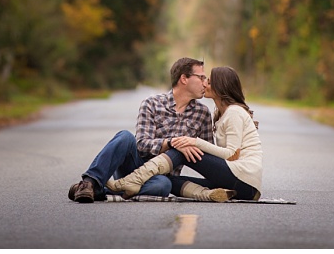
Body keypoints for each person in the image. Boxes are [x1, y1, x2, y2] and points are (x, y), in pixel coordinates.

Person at [67, 57, 215, 203]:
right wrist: (171, 143)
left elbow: (208, 156)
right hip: (133, 168)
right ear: (184, 79)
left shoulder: (202, 113)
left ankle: (99, 191)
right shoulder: (152, 104)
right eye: (201, 77)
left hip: (160, 176)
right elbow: (142, 145)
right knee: (125, 136)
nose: (205, 83)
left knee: (163, 186)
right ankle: (89, 183)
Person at [109, 65, 263, 202]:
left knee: (181, 147)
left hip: (244, 178)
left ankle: (131, 180)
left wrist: (193, 142)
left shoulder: (234, 112)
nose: (204, 84)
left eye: (208, 81)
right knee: (172, 182)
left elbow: (231, 154)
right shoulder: (221, 113)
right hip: (239, 185)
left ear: (220, 86)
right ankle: (212, 195)